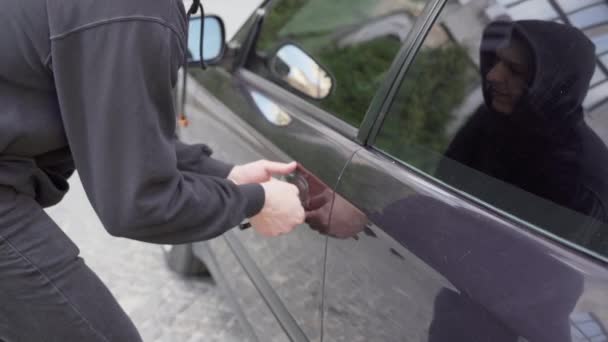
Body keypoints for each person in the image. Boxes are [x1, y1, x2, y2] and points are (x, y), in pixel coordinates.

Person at [0, 0, 305, 341]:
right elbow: (136, 204)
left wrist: (226, 175)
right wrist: (256, 201)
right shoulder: (136, 10)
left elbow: (122, 130)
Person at [436, 20, 608, 251]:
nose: (493, 75)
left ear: (553, 82)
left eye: (515, 70)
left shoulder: (582, 176)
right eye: (496, 61)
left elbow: (549, 267)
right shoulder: (493, 118)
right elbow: (439, 193)